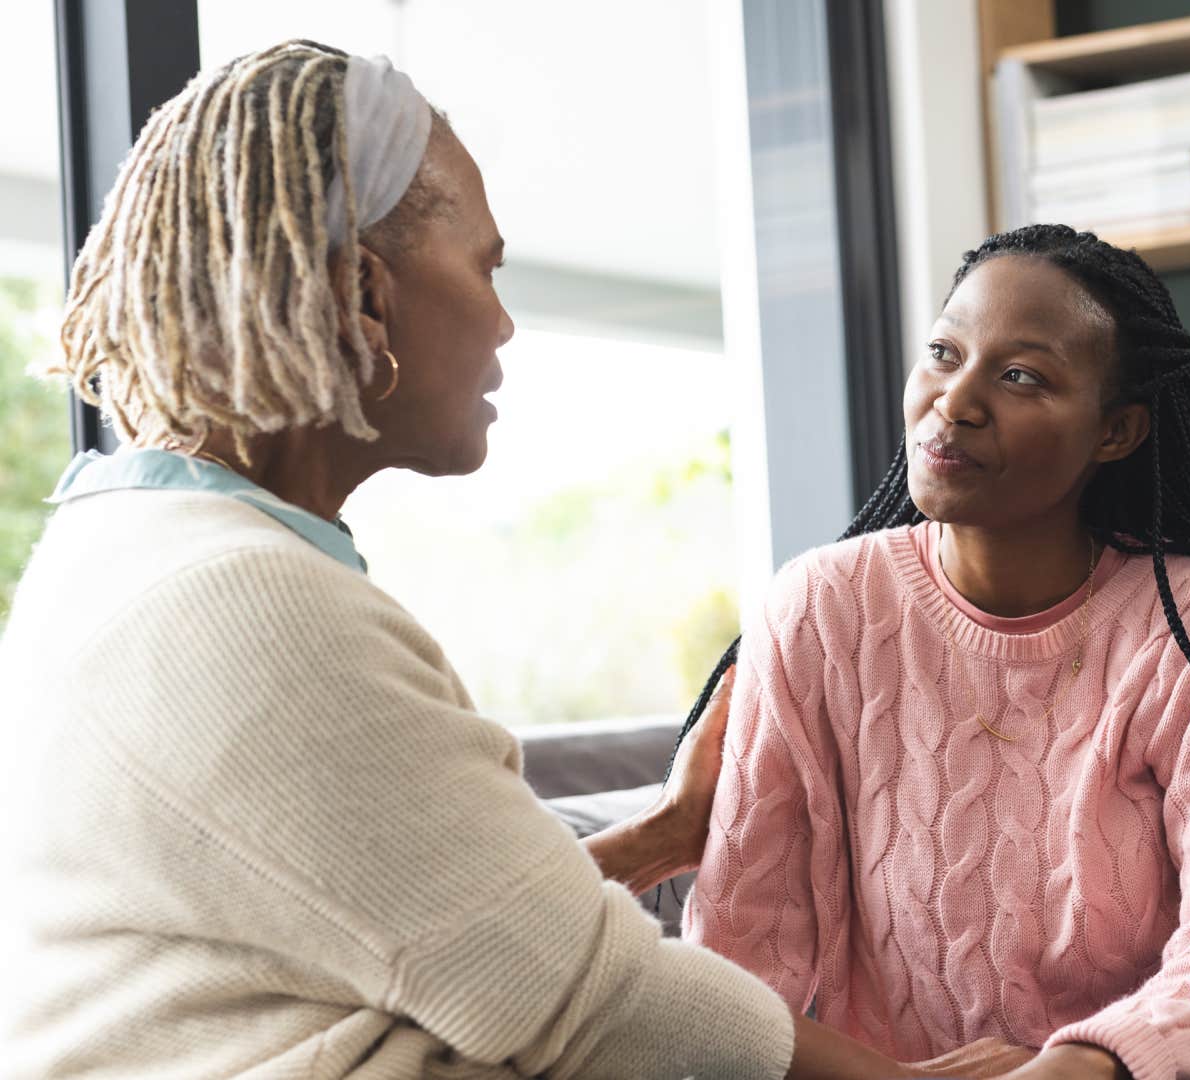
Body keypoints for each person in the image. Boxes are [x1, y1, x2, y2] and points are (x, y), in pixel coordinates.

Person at [0, 40, 926, 1080]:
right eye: (486, 267)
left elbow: (432, 929)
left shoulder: (135, 541)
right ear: (363, 290)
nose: (505, 320)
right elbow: (597, 1008)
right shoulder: (246, 602)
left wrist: (654, 837)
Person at [681, 224, 1190, 1080]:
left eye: (1019, 376)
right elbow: (738, 968)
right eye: (942, 353)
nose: (954, 401)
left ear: (1115, 431)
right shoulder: (819, 608)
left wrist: (1077, 1064)